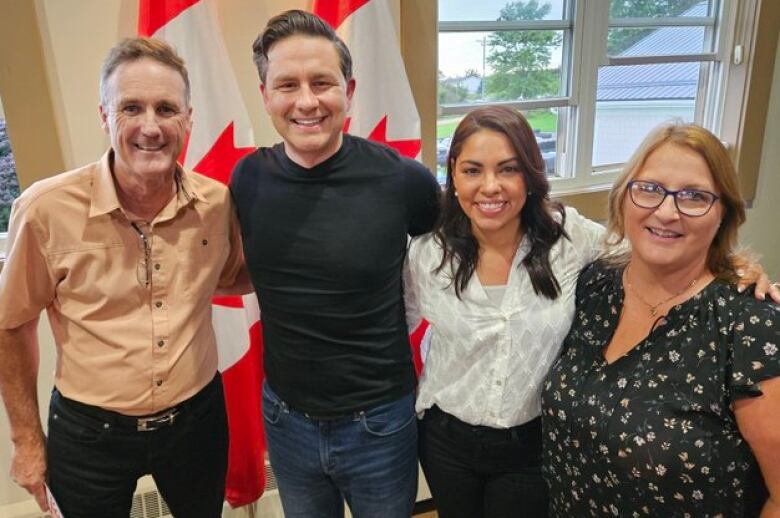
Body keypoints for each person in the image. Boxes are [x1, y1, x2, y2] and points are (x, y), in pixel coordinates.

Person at [0, 38, 245, 518]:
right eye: (131, 107)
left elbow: (234, 276)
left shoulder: (217, 205)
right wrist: (26, 440)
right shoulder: (45, 210)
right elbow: (10, 324)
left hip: (197, 421)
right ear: (105, 116)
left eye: (166, 108)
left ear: (188, 120)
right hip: (90, 435)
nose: (150, 127)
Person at [229, 10, 440, 518]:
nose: (307, 101)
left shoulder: (404, 181)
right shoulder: (248, 179)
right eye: (287, 85)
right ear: (265, 96)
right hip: (286, 420)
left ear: (348, 89)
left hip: (380, 423)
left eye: (322, 82)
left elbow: (462, 258)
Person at [542, 123, 780, 516]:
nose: (666, 211)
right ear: (623, 198)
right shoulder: (592, 285)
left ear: (724, 213)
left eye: (694, 196)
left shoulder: (749, 325)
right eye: (649, 189)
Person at [404, 105, 605, 518]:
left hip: (531, 445)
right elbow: (394, 326)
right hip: (445, 440)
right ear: (453, 175)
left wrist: (736, 272)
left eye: (508, 169)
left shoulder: (570, 236)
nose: (490, 187)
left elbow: (652, 257)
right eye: (473, 170)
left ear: (530, 176)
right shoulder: (426, 252)